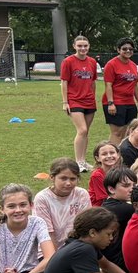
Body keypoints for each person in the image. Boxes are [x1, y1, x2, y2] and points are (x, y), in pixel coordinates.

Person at [60, 34, 99, 171]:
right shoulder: (68, 62)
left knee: (86, 132)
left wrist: (92, 97)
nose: (83, 48)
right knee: (81, 130)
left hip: (89, 101)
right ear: (74, 47)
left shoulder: (92, 62)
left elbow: (93, 81)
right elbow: (64, 82)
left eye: (85, 46)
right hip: (74, 100)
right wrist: (65, 102)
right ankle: (77, 162)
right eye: (80, 46)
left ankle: (83, 160)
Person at [34, 158, 91, 248]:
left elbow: (86, 226)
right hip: (50, 250)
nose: (68, 183)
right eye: (63, 178)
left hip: (76, 246)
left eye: (72, 179)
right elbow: (47, 234)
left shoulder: (81, 194)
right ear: (52, 177)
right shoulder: (42, 199)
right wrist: (57, 258)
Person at [101, 37, 138, 145]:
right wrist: (111, 103)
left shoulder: (133, 65)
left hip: (129, 102)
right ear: (118, 50)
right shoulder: (111, 64)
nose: (128, 51)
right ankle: (112, 155)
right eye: (124, 49)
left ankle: (122, 155)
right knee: (117, 132)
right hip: (116, 102)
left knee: (128, 131)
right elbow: (108, 85)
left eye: (130, 49)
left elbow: (135, 85)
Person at [87, 141, 121, 207]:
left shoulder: (119, 170)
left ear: (118, 155)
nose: (109, 156)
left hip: (115, 201)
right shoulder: (97, 175)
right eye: (104, 154)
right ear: (98, 158)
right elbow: (104, 197)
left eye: (112, 152)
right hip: (100, 207)